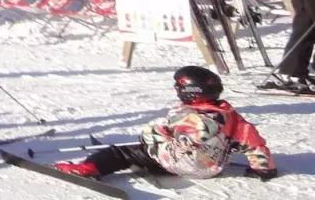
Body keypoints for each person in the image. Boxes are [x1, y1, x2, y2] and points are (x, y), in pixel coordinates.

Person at [55, 67, 275, 182]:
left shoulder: (185, 114)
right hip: (211, 168)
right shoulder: (231, 115)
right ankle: (159, 160)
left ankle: (89, 167)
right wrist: (263, 170)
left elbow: (160, 131)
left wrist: (151, 135)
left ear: (189, 92)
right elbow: (253, 143)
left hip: (177, 162)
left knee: (121, 152)